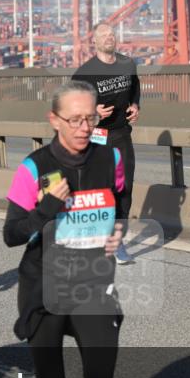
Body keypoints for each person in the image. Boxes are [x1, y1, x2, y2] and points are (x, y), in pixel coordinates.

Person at [3, 80, 125, 378]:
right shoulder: (32, 168)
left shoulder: (111, 157)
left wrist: (118, 231)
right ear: (53, 120)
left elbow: (120, 203)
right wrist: (46, 209)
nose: (82, 127)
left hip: (93, 282)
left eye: (90, 118)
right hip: (45, 285)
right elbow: (12, 234)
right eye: (74, 119)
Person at [71, 22, 141, 265]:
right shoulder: (84, 73)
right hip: (97, 136)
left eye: (112, 34)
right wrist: (94, 112)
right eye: (103, 35)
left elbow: (135, 90)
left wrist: (135, 106)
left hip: (121, 135)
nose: (109, 38)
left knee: (126, 189)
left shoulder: (127, 64)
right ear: (95, 41)